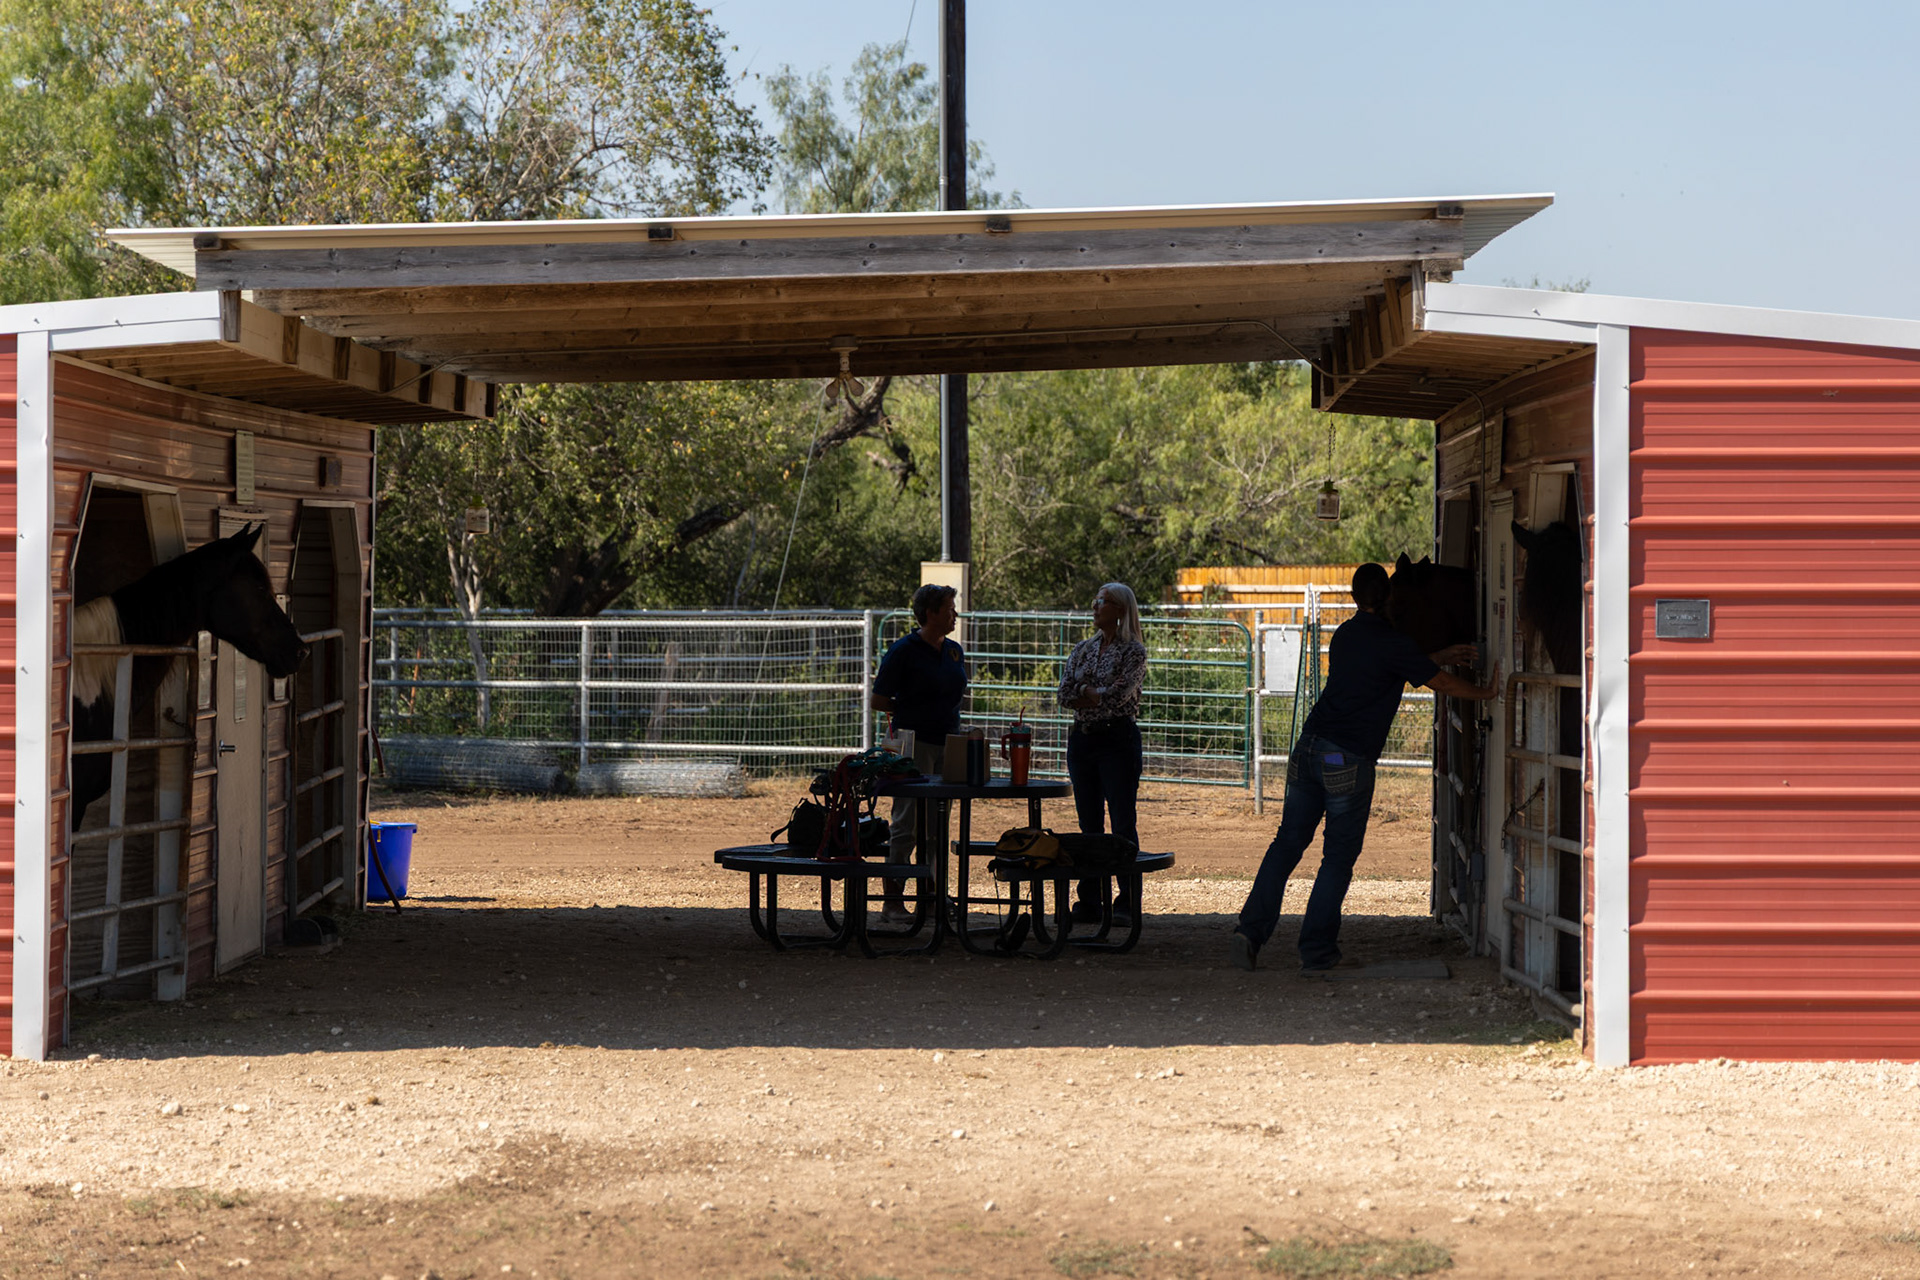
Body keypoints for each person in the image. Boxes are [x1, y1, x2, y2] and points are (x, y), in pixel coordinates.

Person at [1231, 562, 1499, 972]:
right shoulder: (1394, 642)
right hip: (1346, 758)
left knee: (1286, 844)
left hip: (1309, 748)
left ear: (1355, 598)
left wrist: (1435, 656)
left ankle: (1249, 933)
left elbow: (1383, 666)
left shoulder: (1345, 635)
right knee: (1337, 857)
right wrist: (1487, 692)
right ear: (1388, 596)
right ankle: (1316, 950)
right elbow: (1438, 682)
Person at [870, 582, 966, 924]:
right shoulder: (903, 651)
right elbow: (879, 701)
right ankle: (892, 900)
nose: (955, 614)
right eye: (950, 608)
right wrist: (911, 709)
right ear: (931, 613)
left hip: (947, 743)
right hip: (913, 744)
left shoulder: (954, 652)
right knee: (907, 821)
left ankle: (931, 896)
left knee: (937, 825)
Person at [1056, 582, 1148, 922]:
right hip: (1083, 740)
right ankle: (1091, 900)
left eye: (1103, 601)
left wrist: (1090, 694)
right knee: (1089, 823)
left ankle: (1127, 900)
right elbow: (1064, 694)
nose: (1095, 606)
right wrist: (1089, 691)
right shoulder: (1083, 648)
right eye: (1095, 599)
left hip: (1116, 740)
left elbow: (1118, 696)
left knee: (1122, 820)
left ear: (1121, 610)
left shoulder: (1133, 652)